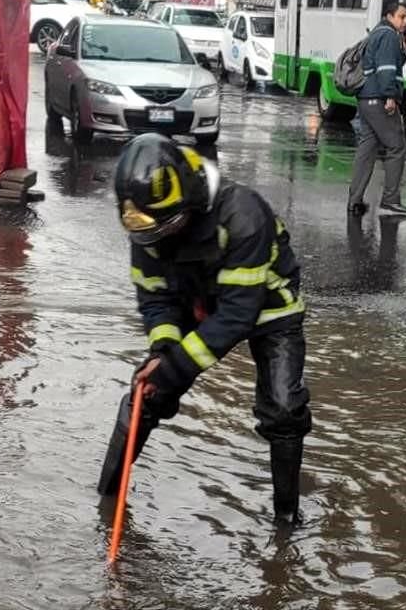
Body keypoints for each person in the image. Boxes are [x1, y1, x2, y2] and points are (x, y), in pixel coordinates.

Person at [97, 134, 312, 526]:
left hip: (267, 306)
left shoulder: (243, 214)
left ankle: (287, 521)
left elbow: (236, 315)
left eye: (167, 227)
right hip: (196, 297)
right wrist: (163, 349)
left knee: (283, 410)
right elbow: (156, 298)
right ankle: (106, 501)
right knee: (147, 391)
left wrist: (178, 365)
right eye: (149, 234)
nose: (155, 239)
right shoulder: (145, 223)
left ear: (190, 202)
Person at [347, 2, 406, 217]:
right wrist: (390, 96)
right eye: (402, 17)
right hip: (379, 99)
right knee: (397, 146)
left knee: (367, 149)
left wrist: (405, 51)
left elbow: (387, 62)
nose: (405, 22)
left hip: (366, 99)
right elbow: (386, 69)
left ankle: (354, 199)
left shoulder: (378, 33)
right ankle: (391, 199)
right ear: (389, 16)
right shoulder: (388, 35)